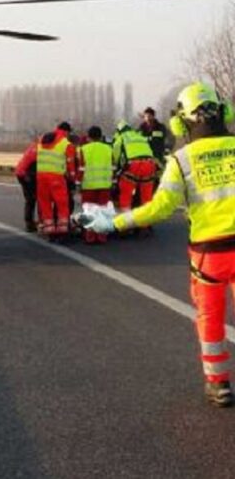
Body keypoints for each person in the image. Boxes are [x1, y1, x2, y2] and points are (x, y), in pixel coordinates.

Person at [84, 82, 235, 407]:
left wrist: (114, 222)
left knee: (210, 319)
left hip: (209, 256)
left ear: (181, 122)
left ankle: (219, 384)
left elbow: (159, 208)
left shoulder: (181, 160)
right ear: (223, 112)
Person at [36, 122, 76, 240]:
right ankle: (62, 232)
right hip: (56, 177)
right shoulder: (66, 144)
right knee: (62, 204)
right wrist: (72, 179)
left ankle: (49, 231)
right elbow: (70, 164)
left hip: (41, 176)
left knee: (45, 203)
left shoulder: (42, 139)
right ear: (67, 132)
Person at [113, 120, 158, 217]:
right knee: (146, 196)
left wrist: (117, 167)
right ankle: (146, 223)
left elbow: (116, 154)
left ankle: (127, 221)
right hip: (149, 165)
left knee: (126, 193)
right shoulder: (140, 136)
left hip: (134, 165)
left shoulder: (121, 137)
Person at [77, 126, 114, 244]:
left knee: (89, 211)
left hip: (89, 185)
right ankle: (102, 236)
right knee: (103, 211)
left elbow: (81, 169)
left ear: (88, 137)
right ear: (101, 136)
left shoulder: (83, 149)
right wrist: (112, 183)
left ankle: (90, 237)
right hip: (105, 185)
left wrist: (78, 184)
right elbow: (113, 167)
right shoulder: (109, 149)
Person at [15, 139, 38, 232]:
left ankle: (30, 222)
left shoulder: (34, 147)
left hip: (23, 173)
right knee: (31, 199)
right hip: (26, 175)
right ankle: (29, 224)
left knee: (31, 199)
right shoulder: (39, 150)